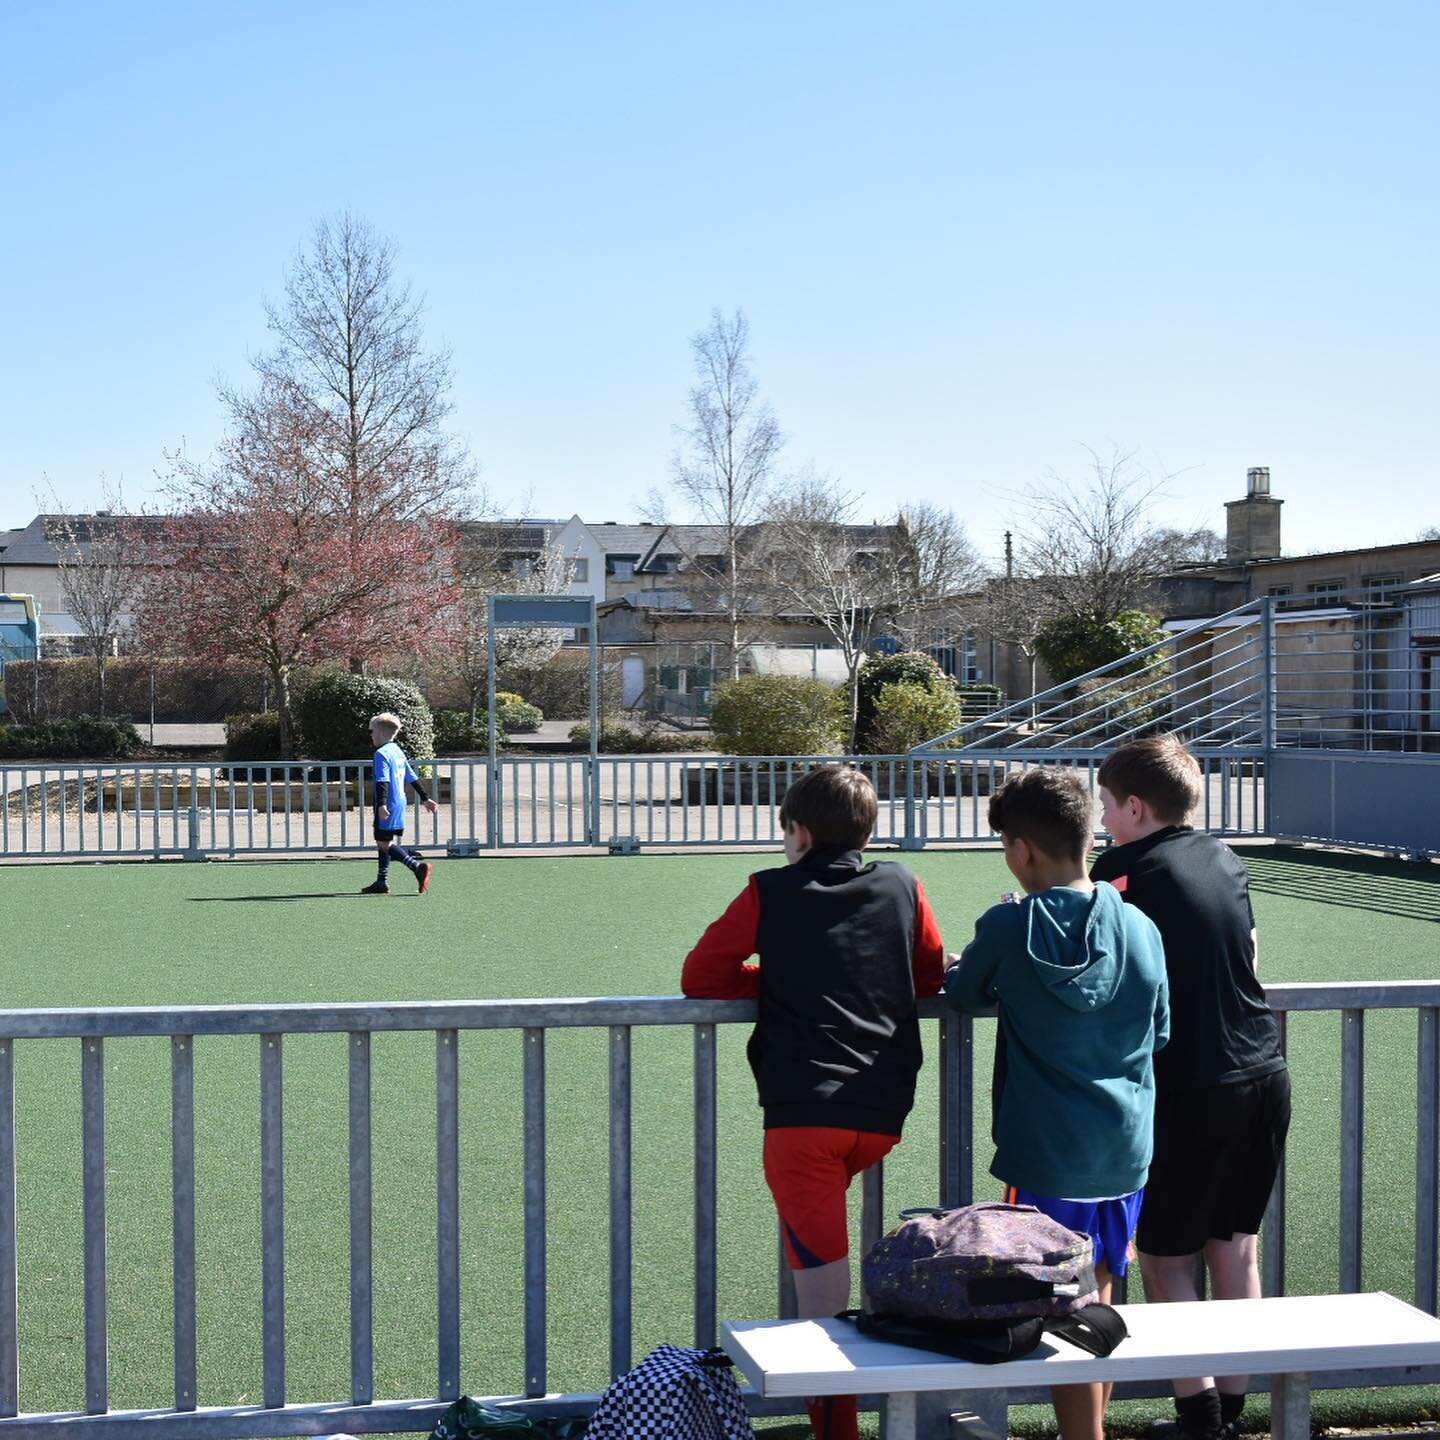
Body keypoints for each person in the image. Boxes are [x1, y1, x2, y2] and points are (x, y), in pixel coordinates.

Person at [680, 764, 945, 1440]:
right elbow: (927, 975)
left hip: (803, 1120)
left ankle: (838, 1432)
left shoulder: (770, 890)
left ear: (797, 831)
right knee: (830, 1271)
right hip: (882, 1110)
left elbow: (702, 975)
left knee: (822, 1299)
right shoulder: (903, 885)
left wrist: (775, 986)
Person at [945, 767, 1169, 1440]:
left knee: (1057, 1303)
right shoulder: (1139, 928)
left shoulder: (1011, 927)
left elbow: (964, 994)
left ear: (1020, 850)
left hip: (1046, 1151)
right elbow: (1159, 1030)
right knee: (1094, 1293)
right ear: (1089, 835)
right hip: (1123, 1148)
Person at [1093, 735, 1291, 1440]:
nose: (1104, 820)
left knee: (1164, 1256)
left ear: (1137, 807)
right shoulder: (1223, 856)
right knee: (1233, 1248)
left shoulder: (1122, 869)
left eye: (1109, 806)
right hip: (1264, 1072)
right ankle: (1232, 1415)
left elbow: (1097, 967)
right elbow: (1251, 953)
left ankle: (1199, 1420)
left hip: (1193, 1083)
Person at [362, 711, 438, 895]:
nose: (371, 735)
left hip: (388, 803)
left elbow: (382, 781)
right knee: (385, 841)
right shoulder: (397, 750)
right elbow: (412, 777)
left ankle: (417, 867)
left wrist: (381, 804)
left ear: (380, 732)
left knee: (383, 844)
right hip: (399, 802)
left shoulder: (381, 753)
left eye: (372, 732)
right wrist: (425, 797)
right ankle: (381, 882)